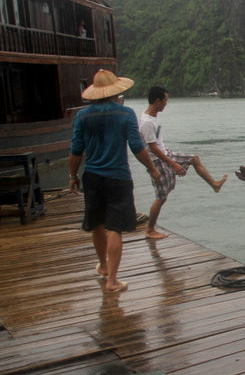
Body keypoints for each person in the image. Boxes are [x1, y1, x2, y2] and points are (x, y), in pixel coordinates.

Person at [69, 69, 161, 293]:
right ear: (115, 91)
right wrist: (151, 168)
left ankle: (102, 266)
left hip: (92, 176)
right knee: (114, 229)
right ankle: (112, 280)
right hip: (118, 176)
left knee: (97, 225)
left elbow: (76, 150)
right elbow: (137, 146)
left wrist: (72, 176)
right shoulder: (125, 113)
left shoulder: (82, 116)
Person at [139, 85, 227, 240]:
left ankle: (215, 185)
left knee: (194, 159)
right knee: (161, 197)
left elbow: (157, 144)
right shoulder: (146, 122)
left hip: (166, 155)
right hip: (158, 161)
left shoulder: (154, 117)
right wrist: (173, 164)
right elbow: (152, 148)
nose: (166, 103)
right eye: (165, 100)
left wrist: (173, 162)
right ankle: (149, 229)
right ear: (158, 100)